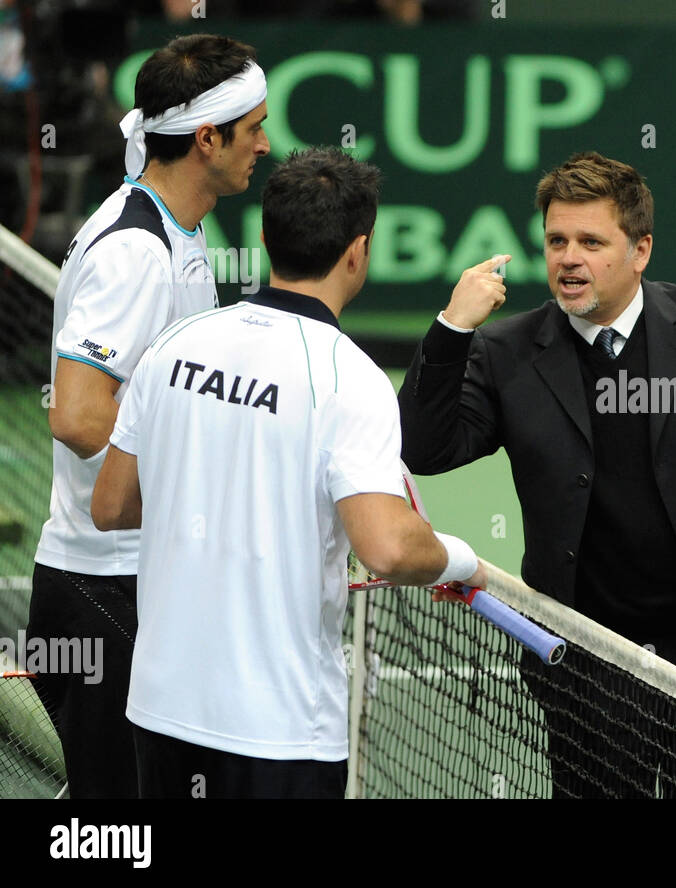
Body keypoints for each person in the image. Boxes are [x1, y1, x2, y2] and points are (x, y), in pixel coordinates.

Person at [397, 151, 676, 797]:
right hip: (586, 655)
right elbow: (428, 450)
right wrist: (451, 330)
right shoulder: (506, 349)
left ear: (640, 250)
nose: (569, 258)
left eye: (591, 242)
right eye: (556, 241)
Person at [90, 147, 487, 799]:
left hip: (162, 712)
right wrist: (462, 560)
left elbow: (111, 505)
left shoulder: (177, 345)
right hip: (281, 735)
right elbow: (388, 547)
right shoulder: (350, 378)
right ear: (359, 251)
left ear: (266, 237)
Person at [28, 33, 270, 798]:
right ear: (208, 138)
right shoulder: (137, 252)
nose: (265, 144)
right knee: (112, 829)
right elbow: (77, 415)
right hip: (106, 593)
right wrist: (195, 487)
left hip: (138, 583)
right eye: (254, 127)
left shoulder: (174, 229)